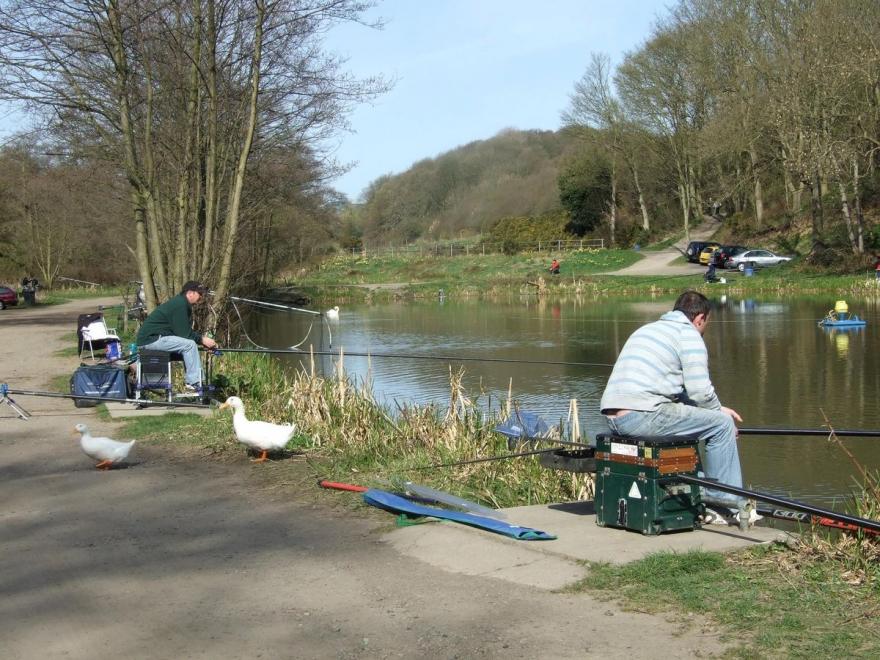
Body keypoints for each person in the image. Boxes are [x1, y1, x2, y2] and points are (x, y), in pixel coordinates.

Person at [599, 290, 752, 522]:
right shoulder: (688, 334)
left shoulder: (647, 330)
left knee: (706, 420)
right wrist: (720, 414)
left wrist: (716, 408)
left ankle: (699, 497)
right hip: (644, 415)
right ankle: (725, 506)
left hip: (615, 418)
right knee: (721, 426)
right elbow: (700, 391)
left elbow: (682, 396)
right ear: (700, 318)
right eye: (705, 324)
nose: (703, 329)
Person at [136, 281, 218, 391]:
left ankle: (195, 382)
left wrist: (202, 342)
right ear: (190, 293)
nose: (202, 297)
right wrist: (203, 340)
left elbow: (182, 334)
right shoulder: (180, 304)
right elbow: (185, 334)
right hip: (151, 339)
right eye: (200, 294)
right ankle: (194, 383)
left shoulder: (181, 303)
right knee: (189, 345)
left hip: (156, 339)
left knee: (189, 346)